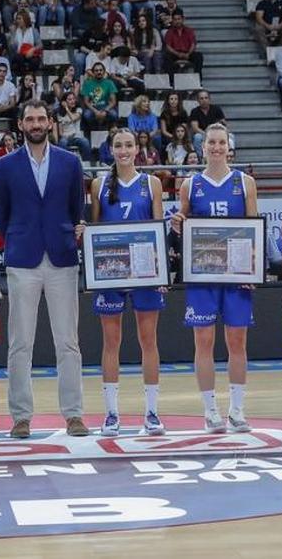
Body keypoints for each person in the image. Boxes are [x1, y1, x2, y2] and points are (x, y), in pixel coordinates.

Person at [0, 99, 88, 439]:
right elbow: (0, 214)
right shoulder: (5, 166)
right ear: (20, 124)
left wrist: (66, 233)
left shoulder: (70, 162)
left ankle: (74, 415)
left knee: (68, 343)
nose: (35, 123)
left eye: (41, 118)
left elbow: (77, 207)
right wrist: (18, 238)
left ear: (50, 123)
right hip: (22, 259)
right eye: (29, 118)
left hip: (61, 256)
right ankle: (21, 417)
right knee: (20, 343)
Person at [170, 123, 258, 433]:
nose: (217, 147)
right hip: (203, 273)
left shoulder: (245, 182)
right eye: (212, 142)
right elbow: (182, 224)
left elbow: (254, 230)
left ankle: (237, 409)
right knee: (204, 341)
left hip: (235, 275)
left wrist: (253, 269)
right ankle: (210, 410)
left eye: (222, 142)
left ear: (228, 147)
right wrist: (178, 224)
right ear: (203, 147)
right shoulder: (190, 185)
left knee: (237, 341)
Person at [82, 128, 166, 437]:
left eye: (129, 144)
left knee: (149, 341)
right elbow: (94, 228)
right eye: (118, 145)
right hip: (111, 273)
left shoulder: (152, 183)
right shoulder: (99, 184)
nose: (124, 150)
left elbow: (159, 229)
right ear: (111, 150)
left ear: (137, 147)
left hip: (145, 273)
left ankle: (152, 412)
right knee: (111, 343)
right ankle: (112, 414)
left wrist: (161, 274)